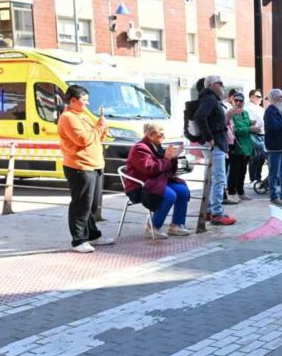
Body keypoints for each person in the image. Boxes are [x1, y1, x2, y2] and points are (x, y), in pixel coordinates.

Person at [58, 85, 116, 252]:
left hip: (94, 164)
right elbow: (82, 139)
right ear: (73, 100)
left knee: (92, 205)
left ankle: (92, 235)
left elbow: (95, 138)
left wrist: (102, 128)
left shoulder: (82, 115)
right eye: (84, 100)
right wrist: (98, 128)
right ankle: (78, 239)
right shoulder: (68, 117)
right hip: (79, 166)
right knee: (81, 204)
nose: (87, 103)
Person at [124, 123, 191, 238]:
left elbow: (166, 168)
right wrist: (167, 158)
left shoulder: (156, 146)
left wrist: (174, 158)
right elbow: (150, 169)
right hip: (140, 186)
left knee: (182, 191)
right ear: (151, 135)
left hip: (155, 181)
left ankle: (176, 225)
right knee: (170, 195)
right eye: (162, 134)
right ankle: (153, 226)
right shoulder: (140, 148)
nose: (164, 137)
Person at [193, 75, 235, 225]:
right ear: (211, 85)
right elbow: (200, 116)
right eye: (219, 83)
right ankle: (217, 213)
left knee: (212, 178)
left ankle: (211, 210)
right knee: (218, 178)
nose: (222, 86)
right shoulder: (210, 98)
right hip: (214, 144)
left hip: (215, 143)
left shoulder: (211, 98)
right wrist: (209, 137)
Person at [263, 89, 282, 204]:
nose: (281, 98)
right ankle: (274, 196)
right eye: (278, 97)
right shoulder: (270, 111)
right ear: (272, 99)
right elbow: (274, 127)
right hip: (275, 146)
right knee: (274, 172)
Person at [225, 93, 253, 203]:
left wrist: (248, 128)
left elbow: (245, 126)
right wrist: (250, 129)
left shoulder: (245, 113)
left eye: (240, 101)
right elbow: (235, 129)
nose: (238, 103)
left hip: (246, 147)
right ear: (232, 101)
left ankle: (241, 192)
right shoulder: (230, 114)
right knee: (234, 171)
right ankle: (232, 193)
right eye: (236, 100)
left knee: (242, 171)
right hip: (235, 146)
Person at [247, 89, 266, 187]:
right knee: (255, 157)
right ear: (251, 97)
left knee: (262, 157)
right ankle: (253, 179)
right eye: (258, 96)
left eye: (261, 97)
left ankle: (258, 177)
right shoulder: (247, 107)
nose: (260, 99)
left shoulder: (260, 108)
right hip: (253, 134)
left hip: (263, 134)